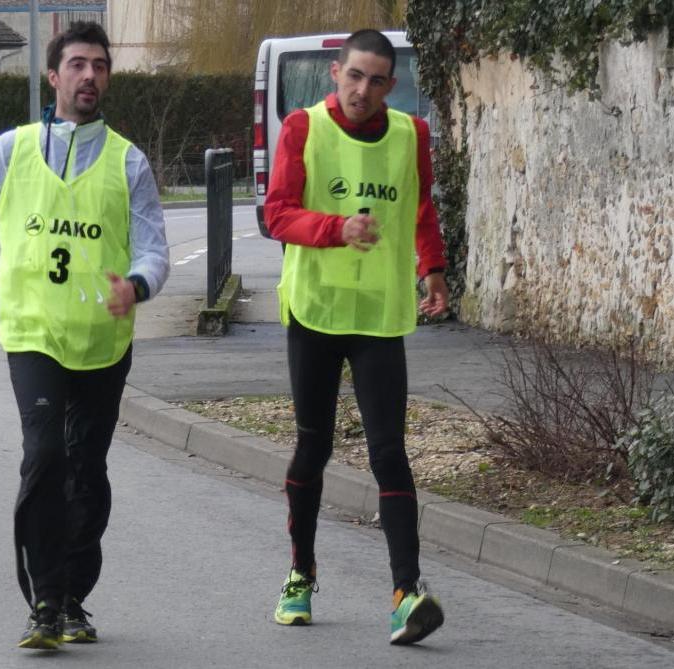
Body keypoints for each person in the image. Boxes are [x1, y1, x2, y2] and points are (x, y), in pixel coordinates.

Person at [0, 22, 169, 650]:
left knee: (87, 471)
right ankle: (44, 601)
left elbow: (154, 250)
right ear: (53, 76)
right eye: (77, 65)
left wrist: (138, 287)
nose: (89, 75)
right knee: (45, 456)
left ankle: (73, 596)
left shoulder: (130, 162)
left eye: (99, 65)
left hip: (102, 341)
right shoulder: (11, 149)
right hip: (32, 333)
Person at [264, 29, 449, 645]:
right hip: (316, 312)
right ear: (334, 74)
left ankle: (406, 593)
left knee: (388, 451)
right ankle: (300, 574)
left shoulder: (410, 135)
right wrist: (335, 228)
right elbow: (277, 214)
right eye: (354, 77)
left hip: (378, 315)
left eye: (375, 80)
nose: (362, 90)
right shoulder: (302, 128)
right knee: (312, 446)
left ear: (390, 86)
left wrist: (434, 270)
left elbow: (420, 209)